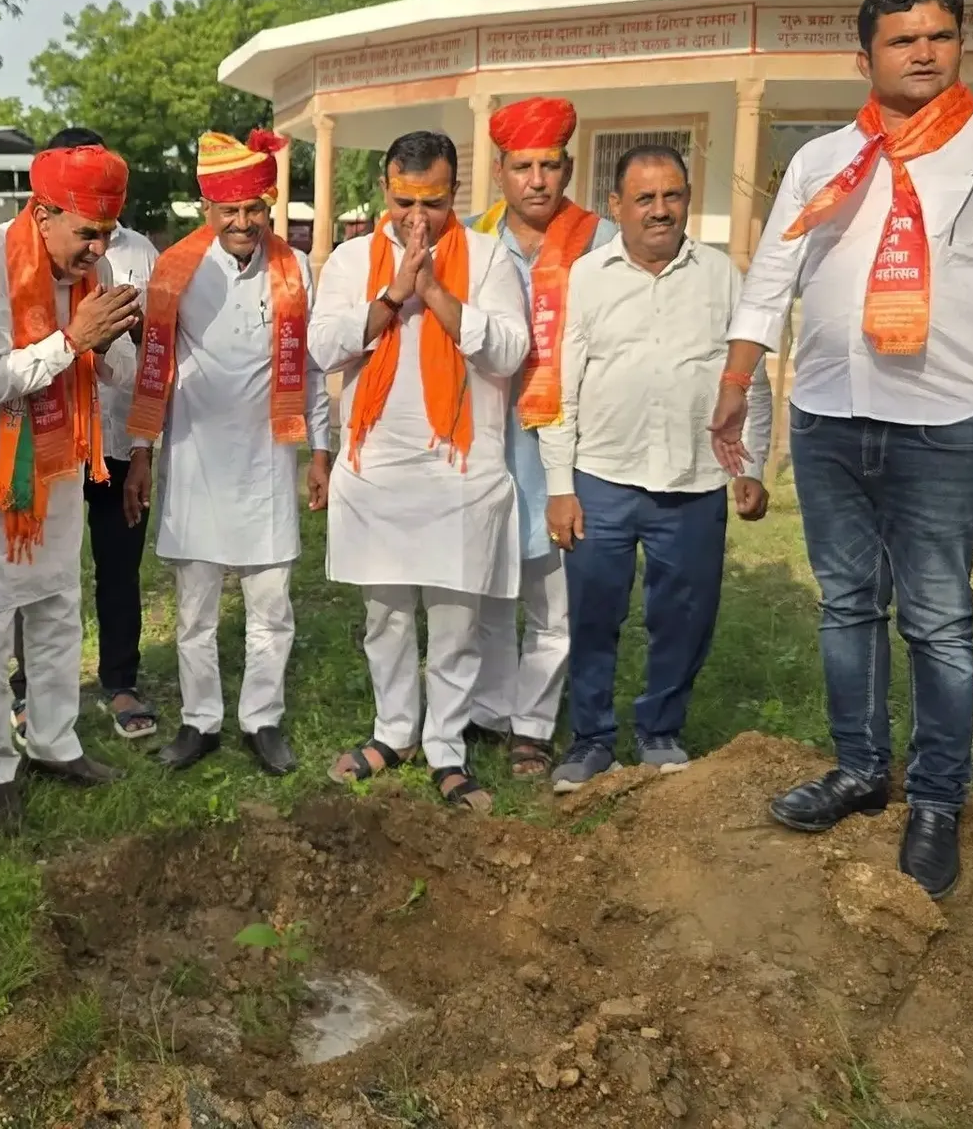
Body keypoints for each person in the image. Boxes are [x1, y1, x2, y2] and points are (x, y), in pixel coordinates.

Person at [714, 0, 973, 900]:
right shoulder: (824, 160)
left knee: (938, 622)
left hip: (945, 425)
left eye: (940, 35)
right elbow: (771, 281)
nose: (924, 52)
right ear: (866, 58)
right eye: (902, 41)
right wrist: (736, 385)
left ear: (961, 43)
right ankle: (859, 769)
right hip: (828, 418)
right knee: (847, 606)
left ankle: (935, 802)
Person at [309, 130, 530, 811]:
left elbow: (510, 351)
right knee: (386, 618)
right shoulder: (349, 261)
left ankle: (446, 747)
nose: (416, 217)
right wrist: (388, 297)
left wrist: (432, 290)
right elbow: (324, 346)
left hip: (461, 472)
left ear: (454, 193)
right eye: (404, 201)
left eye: (431, 203)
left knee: (457, 624)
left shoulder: (490, 259)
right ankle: (393, 732)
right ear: (384, 191)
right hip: (375, 467)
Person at [541, 145, 771, 792]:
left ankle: (660, 732)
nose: (660, 210)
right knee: (591, 614)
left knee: (684, 615)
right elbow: (562, 388)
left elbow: (748, 378)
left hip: (694, 484)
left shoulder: (722, 276)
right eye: (644, 198)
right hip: (603, 479)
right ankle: (589, 741)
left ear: (688, 200)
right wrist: (561, 486)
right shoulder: (586, 278)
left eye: (672, 196)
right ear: (617, 207)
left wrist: (749, 467)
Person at [0, 139, 142, 830]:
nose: (97, 249)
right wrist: (72, 342)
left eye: (107, 233)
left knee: (57, 607)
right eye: (87, 233)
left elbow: (118, 376)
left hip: (56, 460)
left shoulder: (96, 267)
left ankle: (55, 743)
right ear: (43, 211)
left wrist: (106, 348)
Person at [124, 129, 332, 776]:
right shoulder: (175, 271)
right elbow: (152, 370)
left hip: (268, 462)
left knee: (273, 608)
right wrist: (139, 453)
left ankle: (263, 720)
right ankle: (200, 722)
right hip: (195, 463)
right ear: (207, 208)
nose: (243, 223)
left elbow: (316, 371)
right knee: (195, 613)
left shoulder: (293, 269)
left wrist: (320, 451)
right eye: (229, 211)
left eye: (253, 209)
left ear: (268, 203)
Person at [465, 97, 616, 776]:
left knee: (552, 597)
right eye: (522, 166)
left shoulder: (601, 242)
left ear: (569, 168)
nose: (536, 180)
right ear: (499, 171)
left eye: (549, 166)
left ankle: (533, 724)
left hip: (568, 447)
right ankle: (491, 709)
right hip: (486, 437)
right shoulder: (469, 241)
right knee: (491, 588)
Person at [10, 127, 161, 743]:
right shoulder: (21, 253)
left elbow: (154, 356)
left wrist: (145, 451)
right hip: (50, 441)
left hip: (119, 442)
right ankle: (31, 692)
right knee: (41, 572)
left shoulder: (140, 253)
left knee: (119, 567)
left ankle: (121, 679)